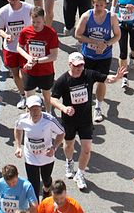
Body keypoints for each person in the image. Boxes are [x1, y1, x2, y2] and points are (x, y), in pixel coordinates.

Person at [50, 51, 123, 192]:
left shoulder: (89, 74)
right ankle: (69, 162)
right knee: (69, 144)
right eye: (76, 66)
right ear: (69, 64)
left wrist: (117, 78)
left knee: (87, 149)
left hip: (85, 120)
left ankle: (80, 174)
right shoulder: (63, 80)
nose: (79, 68)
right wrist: (64, 108)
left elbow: (106, 79)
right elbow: (53, 99)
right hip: (69, 120)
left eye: (81, 65)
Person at [13, 95, 64, 200]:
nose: (35, 111)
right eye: (32, 109)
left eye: (37, 108)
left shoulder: (49, 120)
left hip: (47, 156)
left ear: (42, 107)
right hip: (30, 157)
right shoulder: (23, 119)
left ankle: (46, 190)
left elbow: (61, 133)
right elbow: (18, 129)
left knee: (46, 180)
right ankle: (37, 208)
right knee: (33, 185)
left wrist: (54, 148)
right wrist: (18, 146)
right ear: (28, 109)